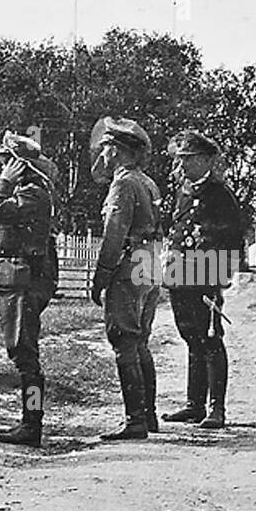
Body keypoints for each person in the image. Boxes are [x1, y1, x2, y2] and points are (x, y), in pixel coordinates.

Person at [161, 130, 245, 429]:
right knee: (191, 338)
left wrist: (220, 279)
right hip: (180, 277)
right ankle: (194, 405)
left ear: (208, 160)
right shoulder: (184, 192)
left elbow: (234, 240)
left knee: (210, 339)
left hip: (205, 277)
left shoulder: (220, 195)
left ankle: (217, 408)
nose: (182, 165)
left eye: (189, 159)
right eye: (180, 159)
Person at [0, 132, 60, 448]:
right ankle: (30, 421)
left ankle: (31, 424)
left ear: (18, 165)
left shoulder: (33, 194)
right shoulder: (25, 191)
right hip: (15, 277)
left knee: (25, 354)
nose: (2, 167)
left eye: (6, 162)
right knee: (22, 351)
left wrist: (2, 181)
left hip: (23, 278)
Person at [89, 117, 162, 441]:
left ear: (117, 151)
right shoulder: (147, 182)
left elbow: (114, 233)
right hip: (149, 263)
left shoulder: (122, 184)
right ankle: (148, 416)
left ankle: (135, 421)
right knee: (140, 341)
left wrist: (101, 276)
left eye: (105, 149)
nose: (102, 156)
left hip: (129, 265)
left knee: (124, 341)